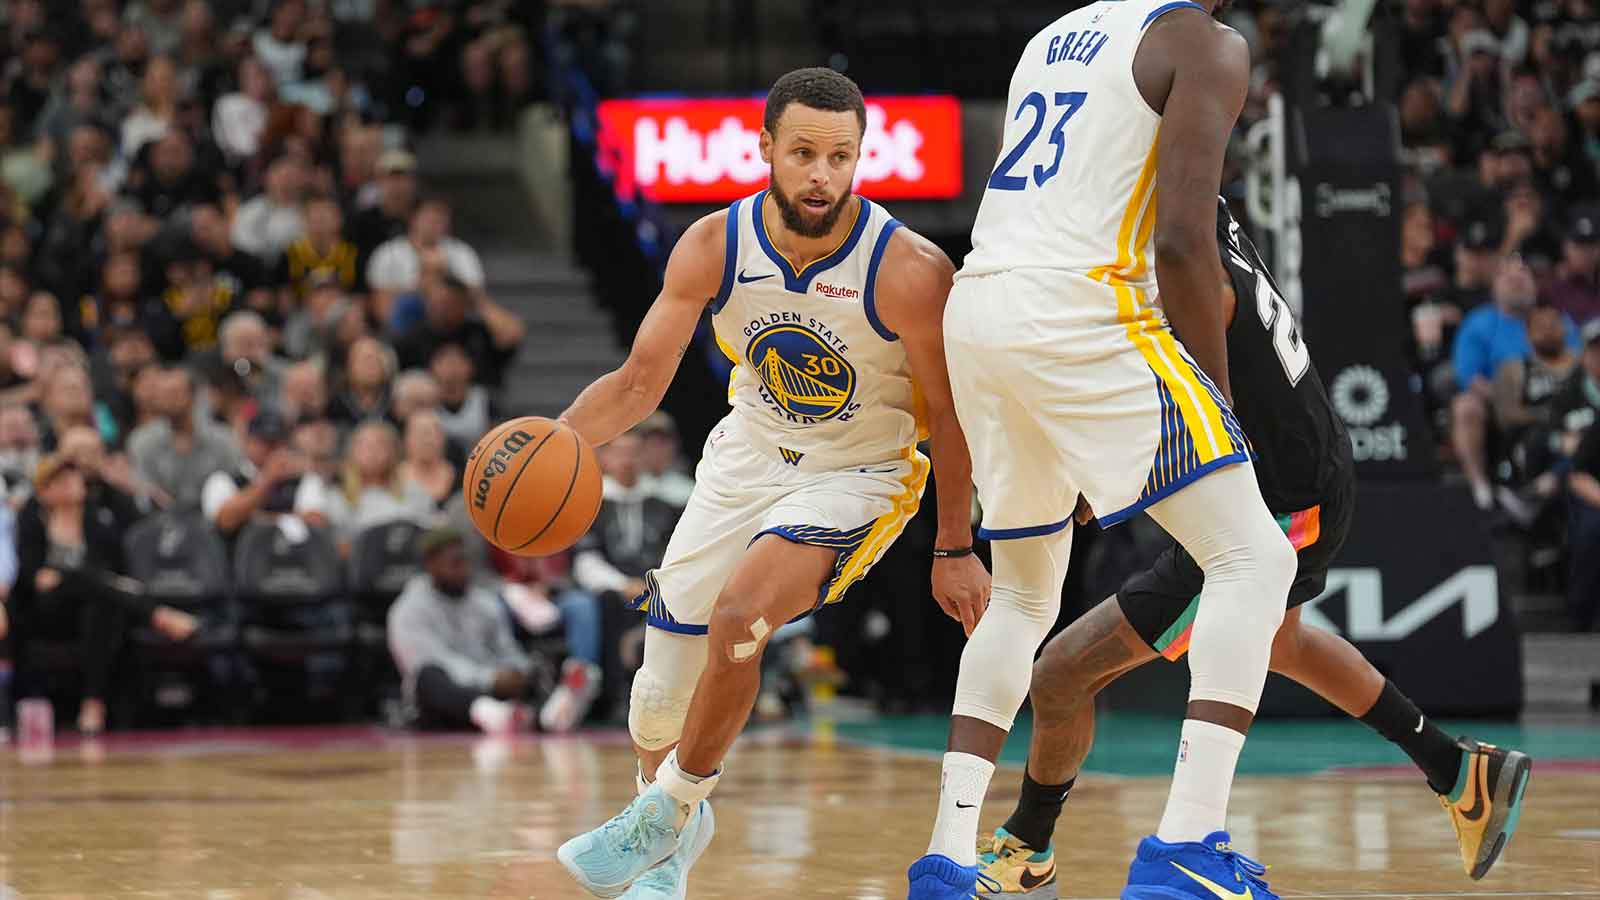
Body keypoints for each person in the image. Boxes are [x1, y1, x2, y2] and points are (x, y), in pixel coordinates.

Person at [975, 200, 1533, 897]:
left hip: (1273, 496)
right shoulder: (1192, 201)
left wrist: (1096, 461)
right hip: (1301, 470)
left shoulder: (1164, 238)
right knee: (1280, 643)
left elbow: (1199, 344)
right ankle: (1457, 771)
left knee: (1061, 672)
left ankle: (1067, 850)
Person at [555, 68, 987, 900]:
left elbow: (952, 416)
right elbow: (640, 383)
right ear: (766, 151)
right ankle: (670, 840)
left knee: (741, 616)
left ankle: (669, 808)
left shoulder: (910, 270)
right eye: (803, 153)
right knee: (655, 701)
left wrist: (956, 544)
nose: (821, 174)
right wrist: (558, 438)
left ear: (861, 157)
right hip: (748, 454)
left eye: (839, 156)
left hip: (859, 471)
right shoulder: (714, 245)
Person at [911, 5, 1300, 898]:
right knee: (1253, 555)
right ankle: (1189, 847)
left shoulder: (1054, 35)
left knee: (1020, 595)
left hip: (983, 305)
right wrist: (1218, 407)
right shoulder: (1202, 43)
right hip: (1082, 309)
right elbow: (1181, 243)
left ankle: (946, 858)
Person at [1452, 258, 1578, 510]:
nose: (1516, 282)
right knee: (1465, 407)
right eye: (1508, 278)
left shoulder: (1554, 321)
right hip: (1498, 404)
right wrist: (1510, 398)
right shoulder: (1479, 323)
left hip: (1554, 402)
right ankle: (1480, 487)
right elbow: (1469, 377)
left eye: (1522, 277)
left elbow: (1577, 366)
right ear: (1495, 287)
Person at [387, 526, 535, 734]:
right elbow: (431, 661)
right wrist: (491, 680)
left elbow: (506, 648)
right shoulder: (407, 610)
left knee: (532, 668)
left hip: (495, 688)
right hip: (446, 701)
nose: (464, 569)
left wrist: (518, 671)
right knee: (428, 677)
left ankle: (550, 712)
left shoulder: (485, 602)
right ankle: (494, 714)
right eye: (455, 563)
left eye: (466, 561)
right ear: (431, 565)